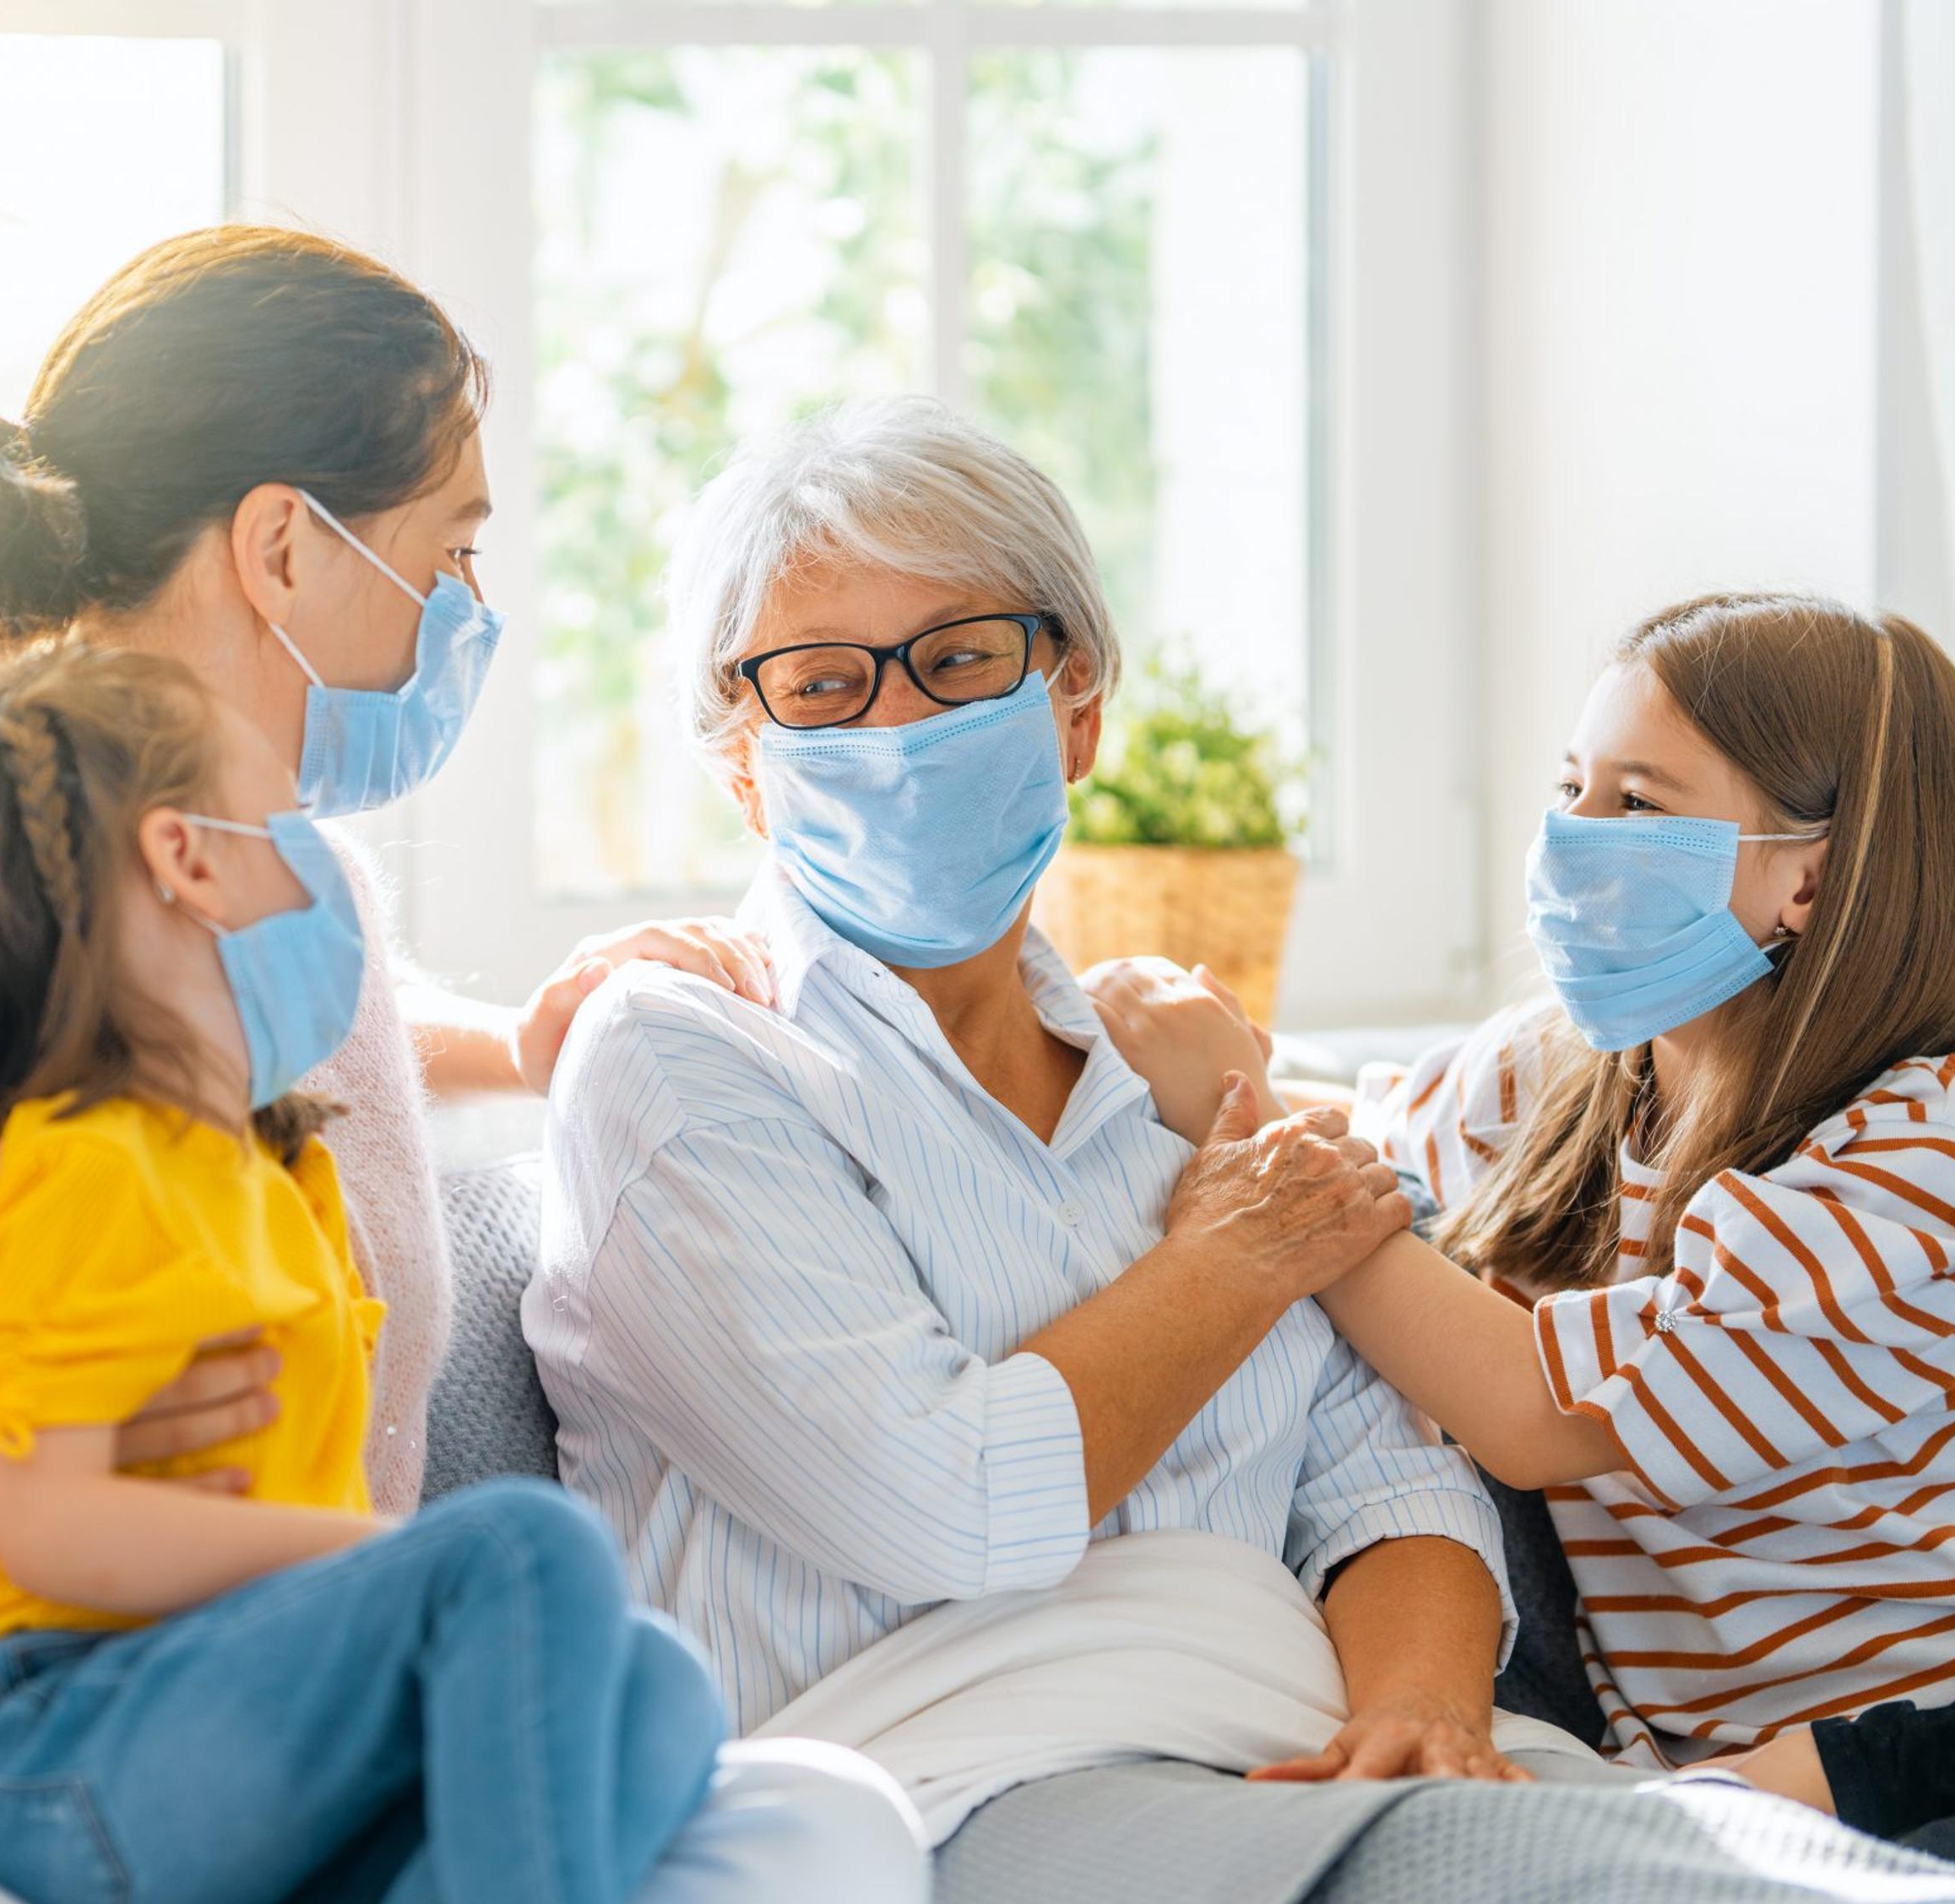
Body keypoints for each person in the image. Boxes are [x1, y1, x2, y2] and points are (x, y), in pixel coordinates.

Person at [0, 227, 922, 1904]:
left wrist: (535, 1039)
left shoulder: (292, 918)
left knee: (828, 1823)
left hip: (267, 1720)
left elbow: (291, 1066)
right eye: (449, 550)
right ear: (281, 549)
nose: (470, 612)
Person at [1128, 594, 1955, 1863]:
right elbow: (1369, 1134)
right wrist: (1192, 1068)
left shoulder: (1930, 1147)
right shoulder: (1569, 1073)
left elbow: (1534, 1412)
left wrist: (1255, 1144)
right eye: (1571, 788)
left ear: (1811, 875)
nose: (1570, 840)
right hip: (1765, 1784)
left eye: (1638, 805)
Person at [524, 393, 1547, 1798]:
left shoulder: (1176, 1073)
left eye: (957, 661)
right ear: (741, 766)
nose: (897, 725)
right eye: (823, 686)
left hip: (1293, 1759)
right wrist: (1232, 1258)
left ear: (1076, 713)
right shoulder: (681, 1063)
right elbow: (952, 1502)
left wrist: (1425, 1724)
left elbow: (1391, 1483)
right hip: (937, 1806)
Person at [0, 641, 729, 1903]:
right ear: (190, 857)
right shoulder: (89, 1157)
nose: (326, 869)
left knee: (663, 1685)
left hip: (219, 1710)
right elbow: (49, 1525)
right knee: (522, 1549)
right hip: (48, 1736)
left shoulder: (280, 1174)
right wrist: (376, 1559)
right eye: (288, 817)